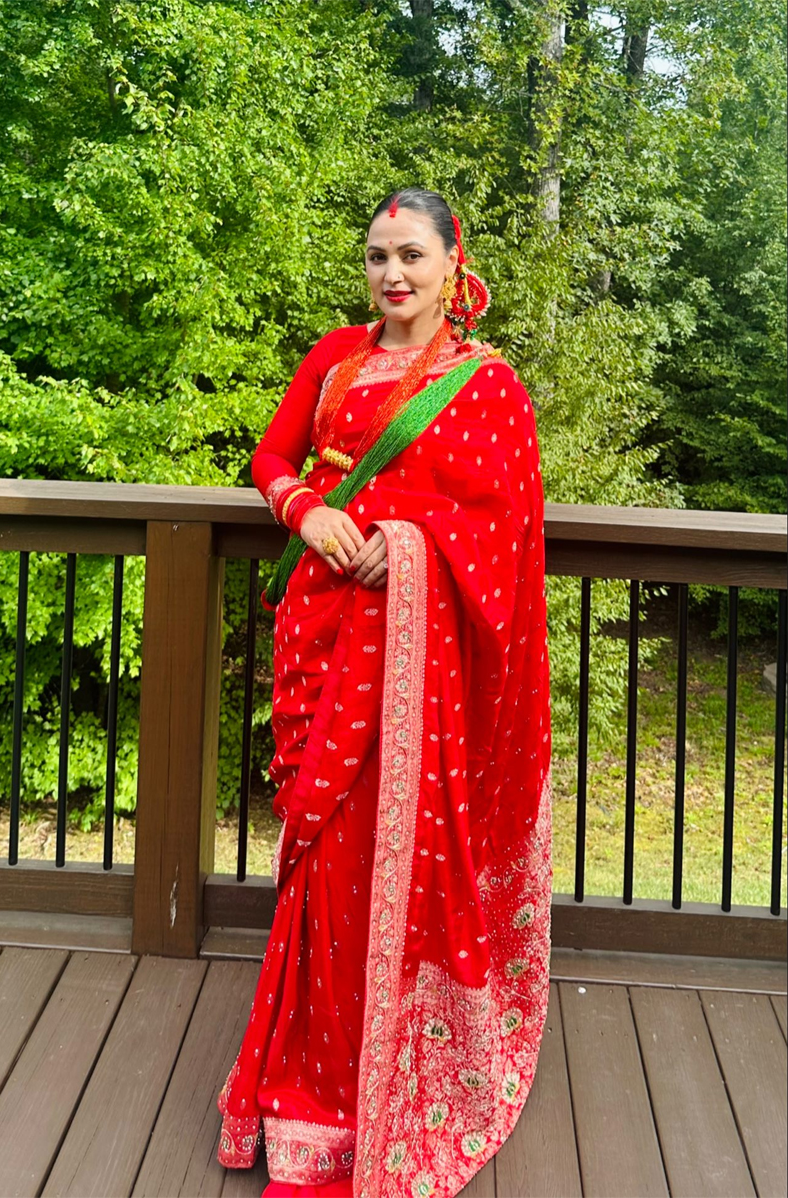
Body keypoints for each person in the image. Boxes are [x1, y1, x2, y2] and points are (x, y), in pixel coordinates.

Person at [216, 188, 552, 1198]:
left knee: (383, 855)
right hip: (321, 636)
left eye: (410, 254)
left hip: (418, 668)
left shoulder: (486, 386)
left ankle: (385, 1081)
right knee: (320, 856)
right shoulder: (333, 356)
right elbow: (270, 456)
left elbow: (501, 531)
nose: (391, 273)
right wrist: (304, 510)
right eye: (376, 255)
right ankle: (309, 1084)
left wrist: (407, 542)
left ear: (454, 264)